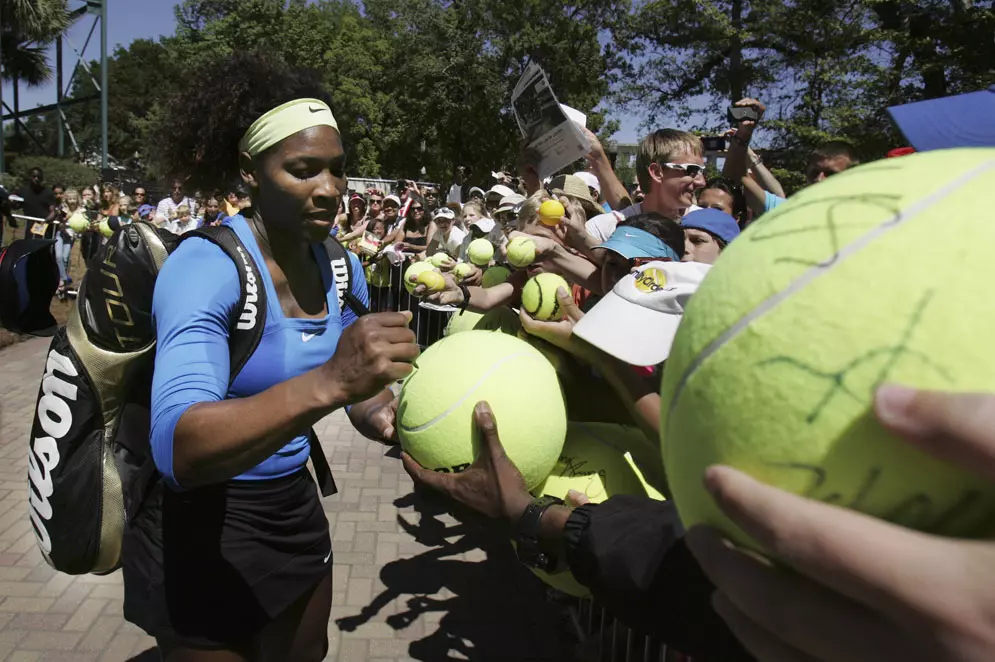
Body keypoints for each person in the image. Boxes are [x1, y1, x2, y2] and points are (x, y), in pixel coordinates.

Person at [127, 51, 418, 660]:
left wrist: (387, 416)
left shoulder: (340, 263)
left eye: (337, 171)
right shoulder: (208, 266)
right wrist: (332, 383)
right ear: (249, 172)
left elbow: (357, 395)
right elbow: (179, 447)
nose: (329, 190)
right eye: (304, 170)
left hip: (292, 506)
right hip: (201, 527)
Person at [723, 98, 859, 216]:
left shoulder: (873, 224)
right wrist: (743, 135)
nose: (819, 179)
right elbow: (733, 182)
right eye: (814, 172)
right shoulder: (788, 212)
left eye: (830, 174)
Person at [585, 129, 706, 243]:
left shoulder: (711, 228)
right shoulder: (602, 230)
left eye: (702, 172)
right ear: (657, 172)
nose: (702, 182)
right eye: (692, 171)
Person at [55, 188, 84, 296]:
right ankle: (63, 279)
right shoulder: (63, 209)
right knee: (58, 256)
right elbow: (60, 222)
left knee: (65, 257)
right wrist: (65, 217)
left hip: (70, 236)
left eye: (74, 199)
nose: (72, 201)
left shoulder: (80, 210)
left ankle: (62, 281)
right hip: (61, 234)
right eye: (70, 199)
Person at [15, 167, 58, 239]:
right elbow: (14, 203)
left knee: (41, 248)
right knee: (29, 247)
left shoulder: (48, 192)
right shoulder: (22, 190)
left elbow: (53, 212)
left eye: (39, 177)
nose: (36, 179)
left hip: (43, 226)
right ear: (29, 177)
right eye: (34, 176)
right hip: (29, 226)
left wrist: (45, 221)